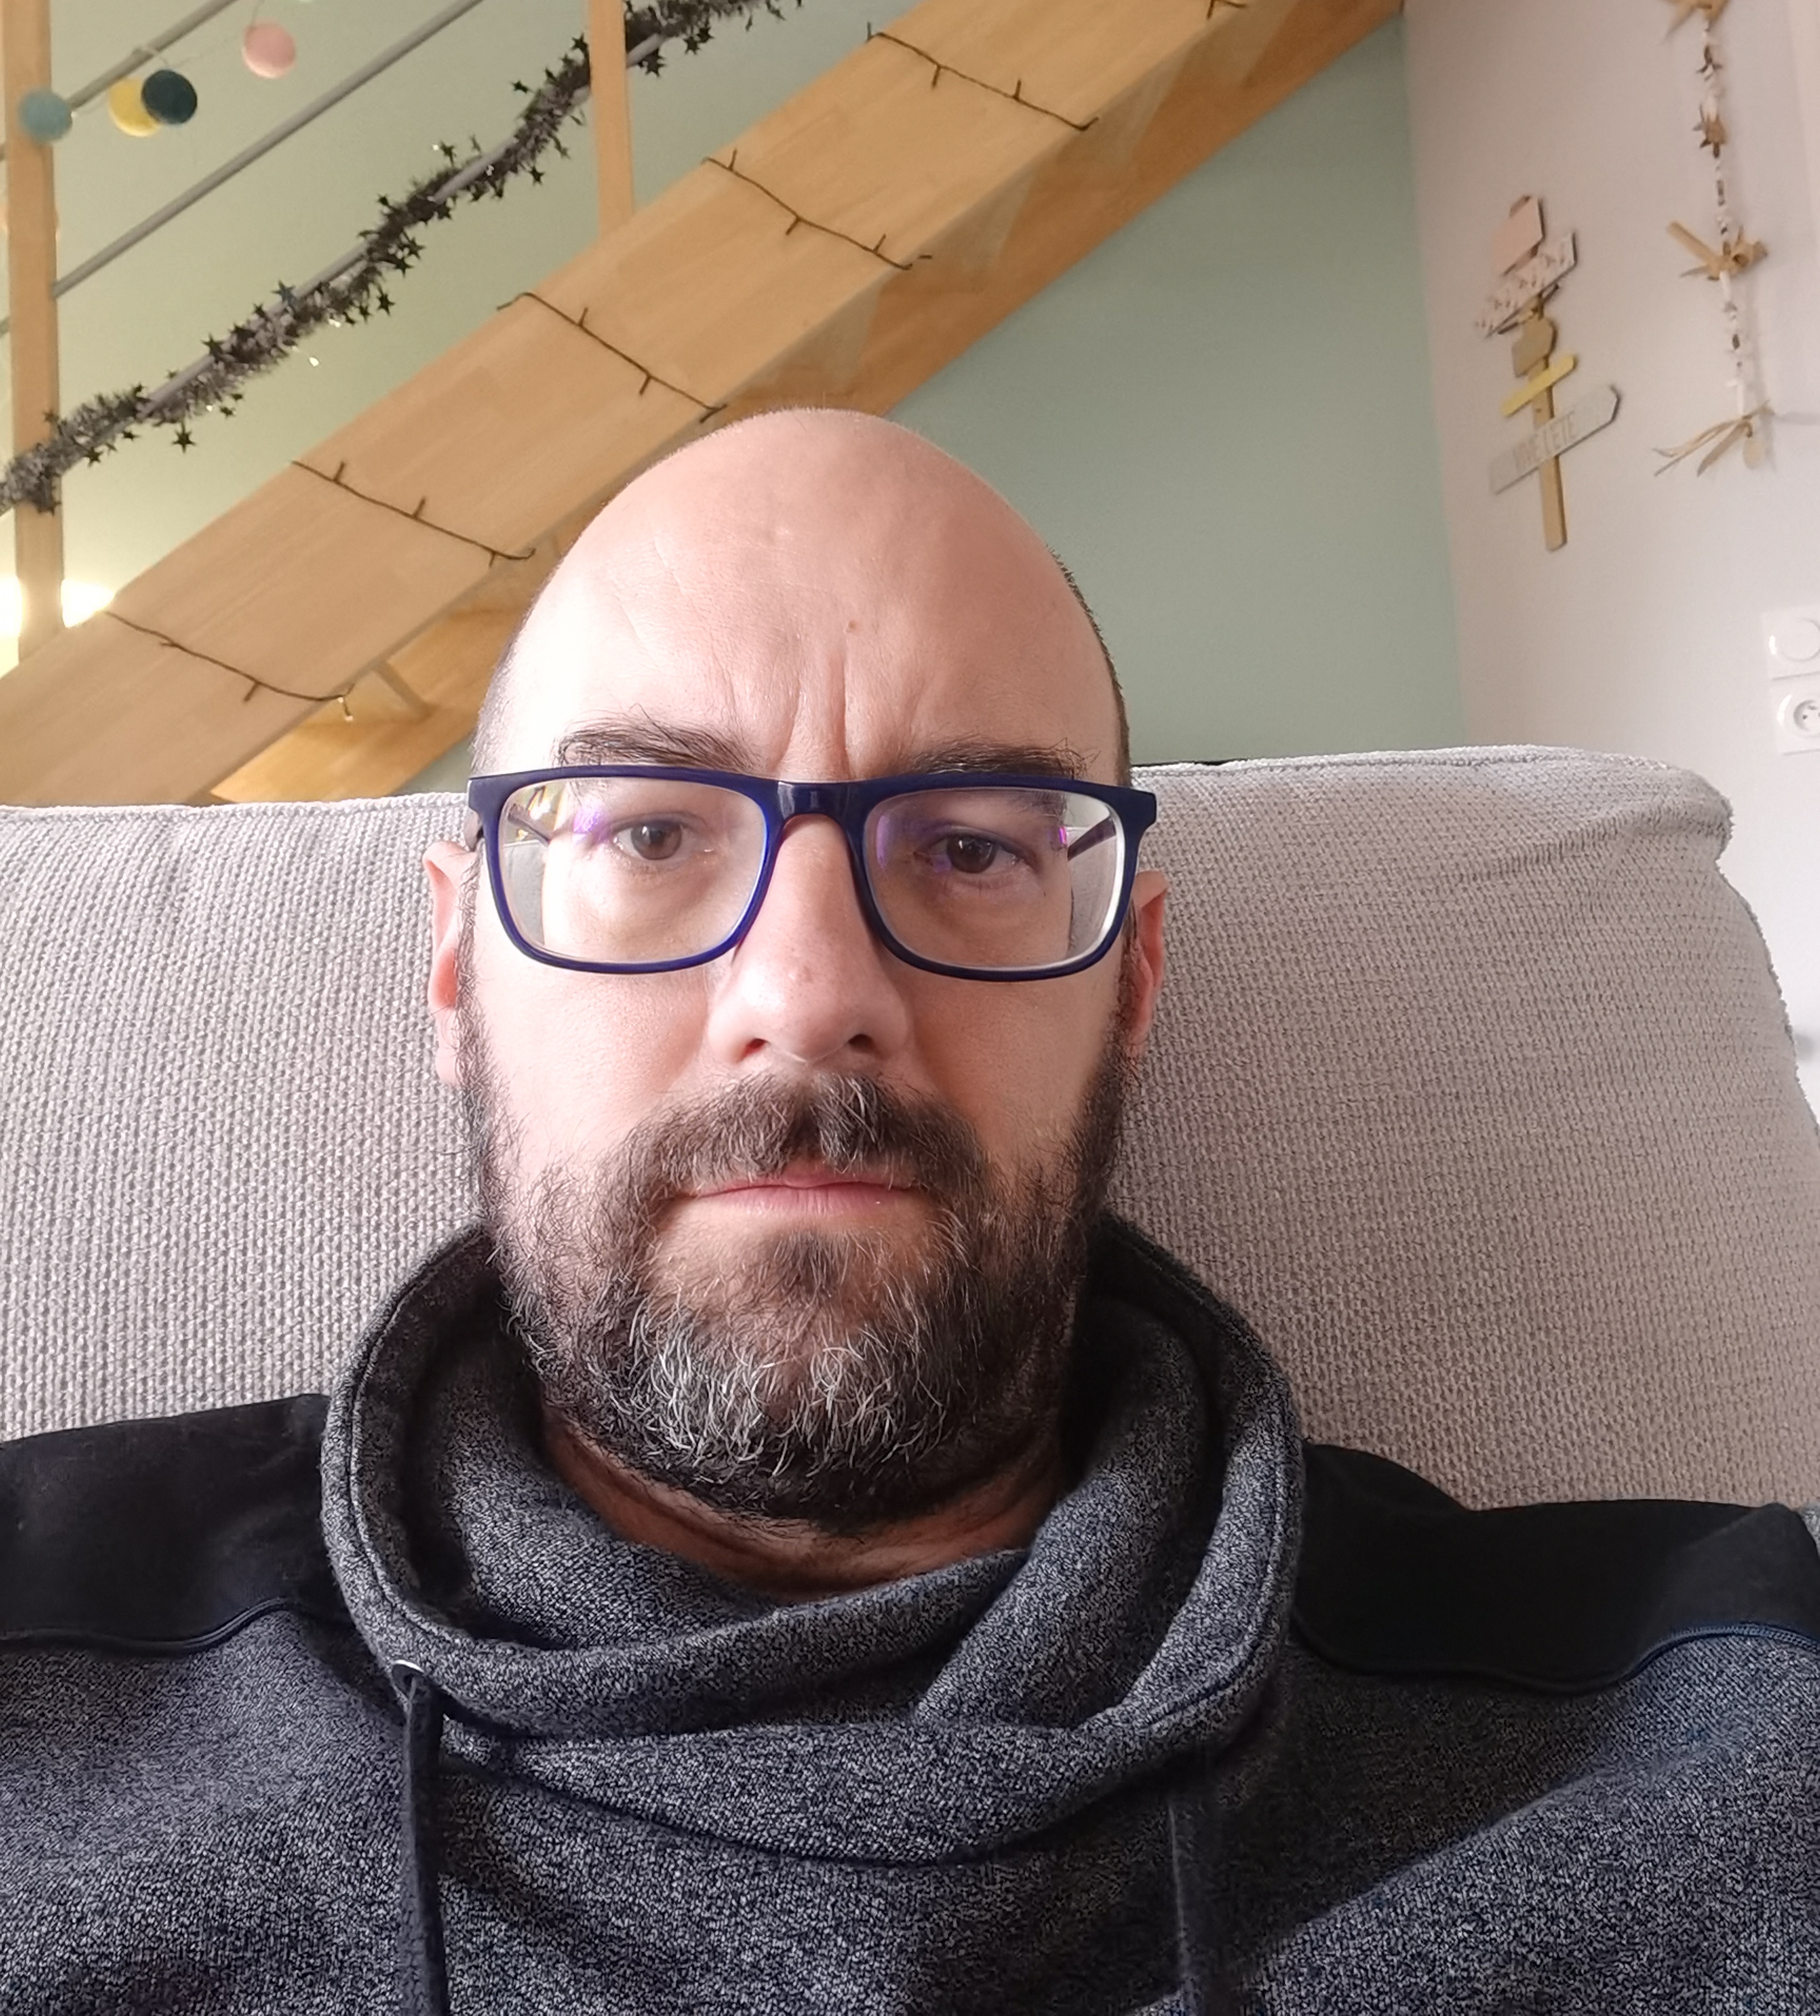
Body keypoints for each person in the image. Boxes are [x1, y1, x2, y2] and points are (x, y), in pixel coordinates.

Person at [3, 410, 1818, 2016]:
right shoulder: (39, 1657)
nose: (810, 994)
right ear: (463, 960)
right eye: (650, 834)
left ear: (1132, 979)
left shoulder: (1722, 1729)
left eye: (969, 846)